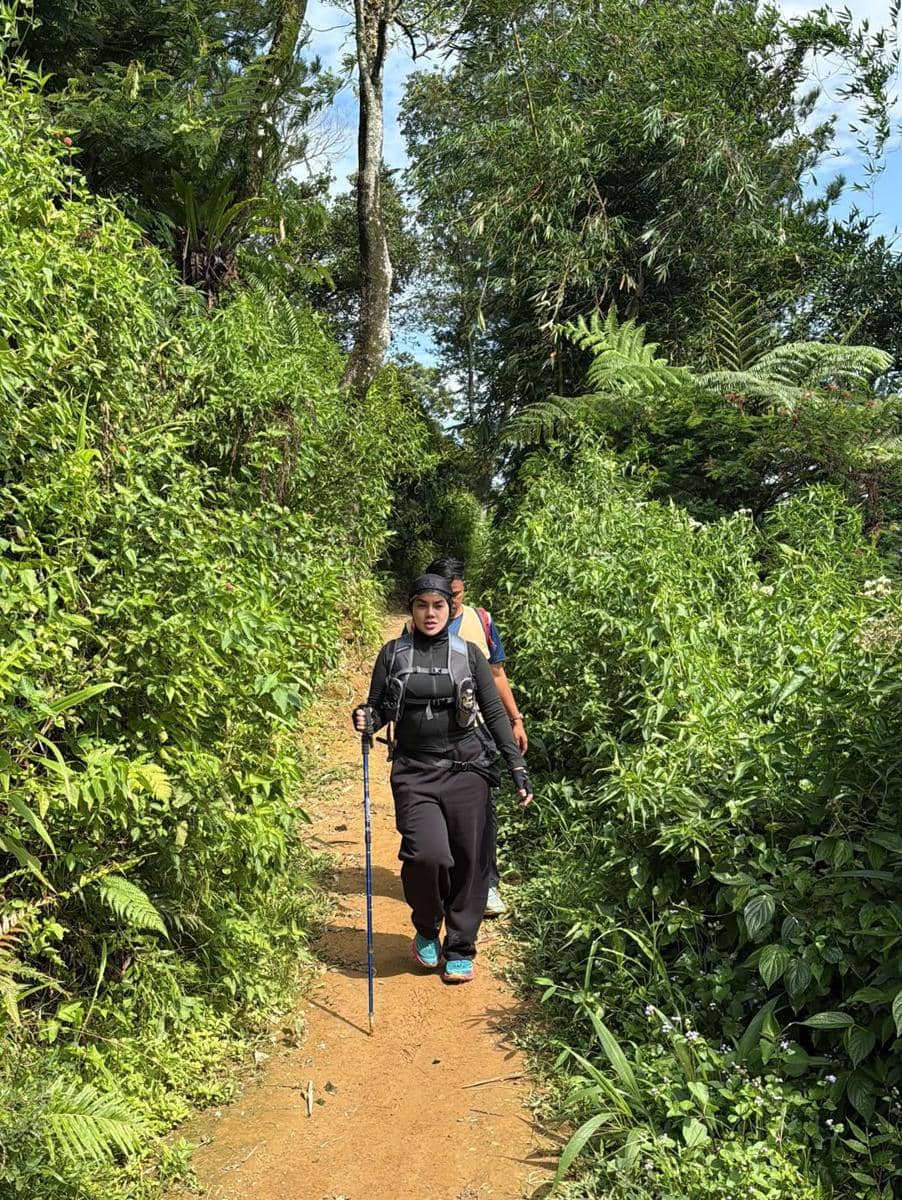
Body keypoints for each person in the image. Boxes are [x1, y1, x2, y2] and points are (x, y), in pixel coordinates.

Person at [353, 574, 532, 984]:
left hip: (468, 768)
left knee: (470, 860)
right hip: (414, 770)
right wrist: (366, 719)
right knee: (426, 855)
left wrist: (517, 768)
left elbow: (494, 713)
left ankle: (460, 946)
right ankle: (426, 926)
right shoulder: (393, 653)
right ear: (411, 610)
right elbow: (379, 709)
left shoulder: (469, 654)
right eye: (421, 606)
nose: (430, 614)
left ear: (450, 609)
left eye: (438, 606)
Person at [425, 558, 526, 917]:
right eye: (443, 595)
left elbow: (497, 674)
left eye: (456, 595)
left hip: (479, 730)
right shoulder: (418, 626)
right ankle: (448, 879)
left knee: (483, 809)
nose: (449, 604)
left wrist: (515, 719)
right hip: (436, 736)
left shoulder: (480, 621)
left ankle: (488, 885)